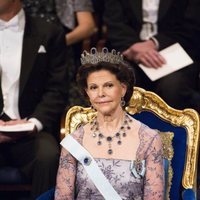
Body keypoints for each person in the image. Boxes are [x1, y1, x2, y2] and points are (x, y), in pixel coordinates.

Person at [55, 47, 164, 199]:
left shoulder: (149, 139)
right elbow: (63, 197)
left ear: (123, 89)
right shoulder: (75, 142)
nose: (101, 94)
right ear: (87, 93)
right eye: (94, 87)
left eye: (108, 85)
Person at [0, 0, 68, 199]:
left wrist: (33, 124)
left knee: (48, 156)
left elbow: (57, 89)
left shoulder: (49, 32)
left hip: (30, 129)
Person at [103, 0, 200, 111]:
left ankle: (171, 128)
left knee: (172, 86)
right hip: (129, 51)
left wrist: (154, 43)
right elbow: (115, 24)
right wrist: (135, 48)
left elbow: (191, 27)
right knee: (120, 79)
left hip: (174, 51)